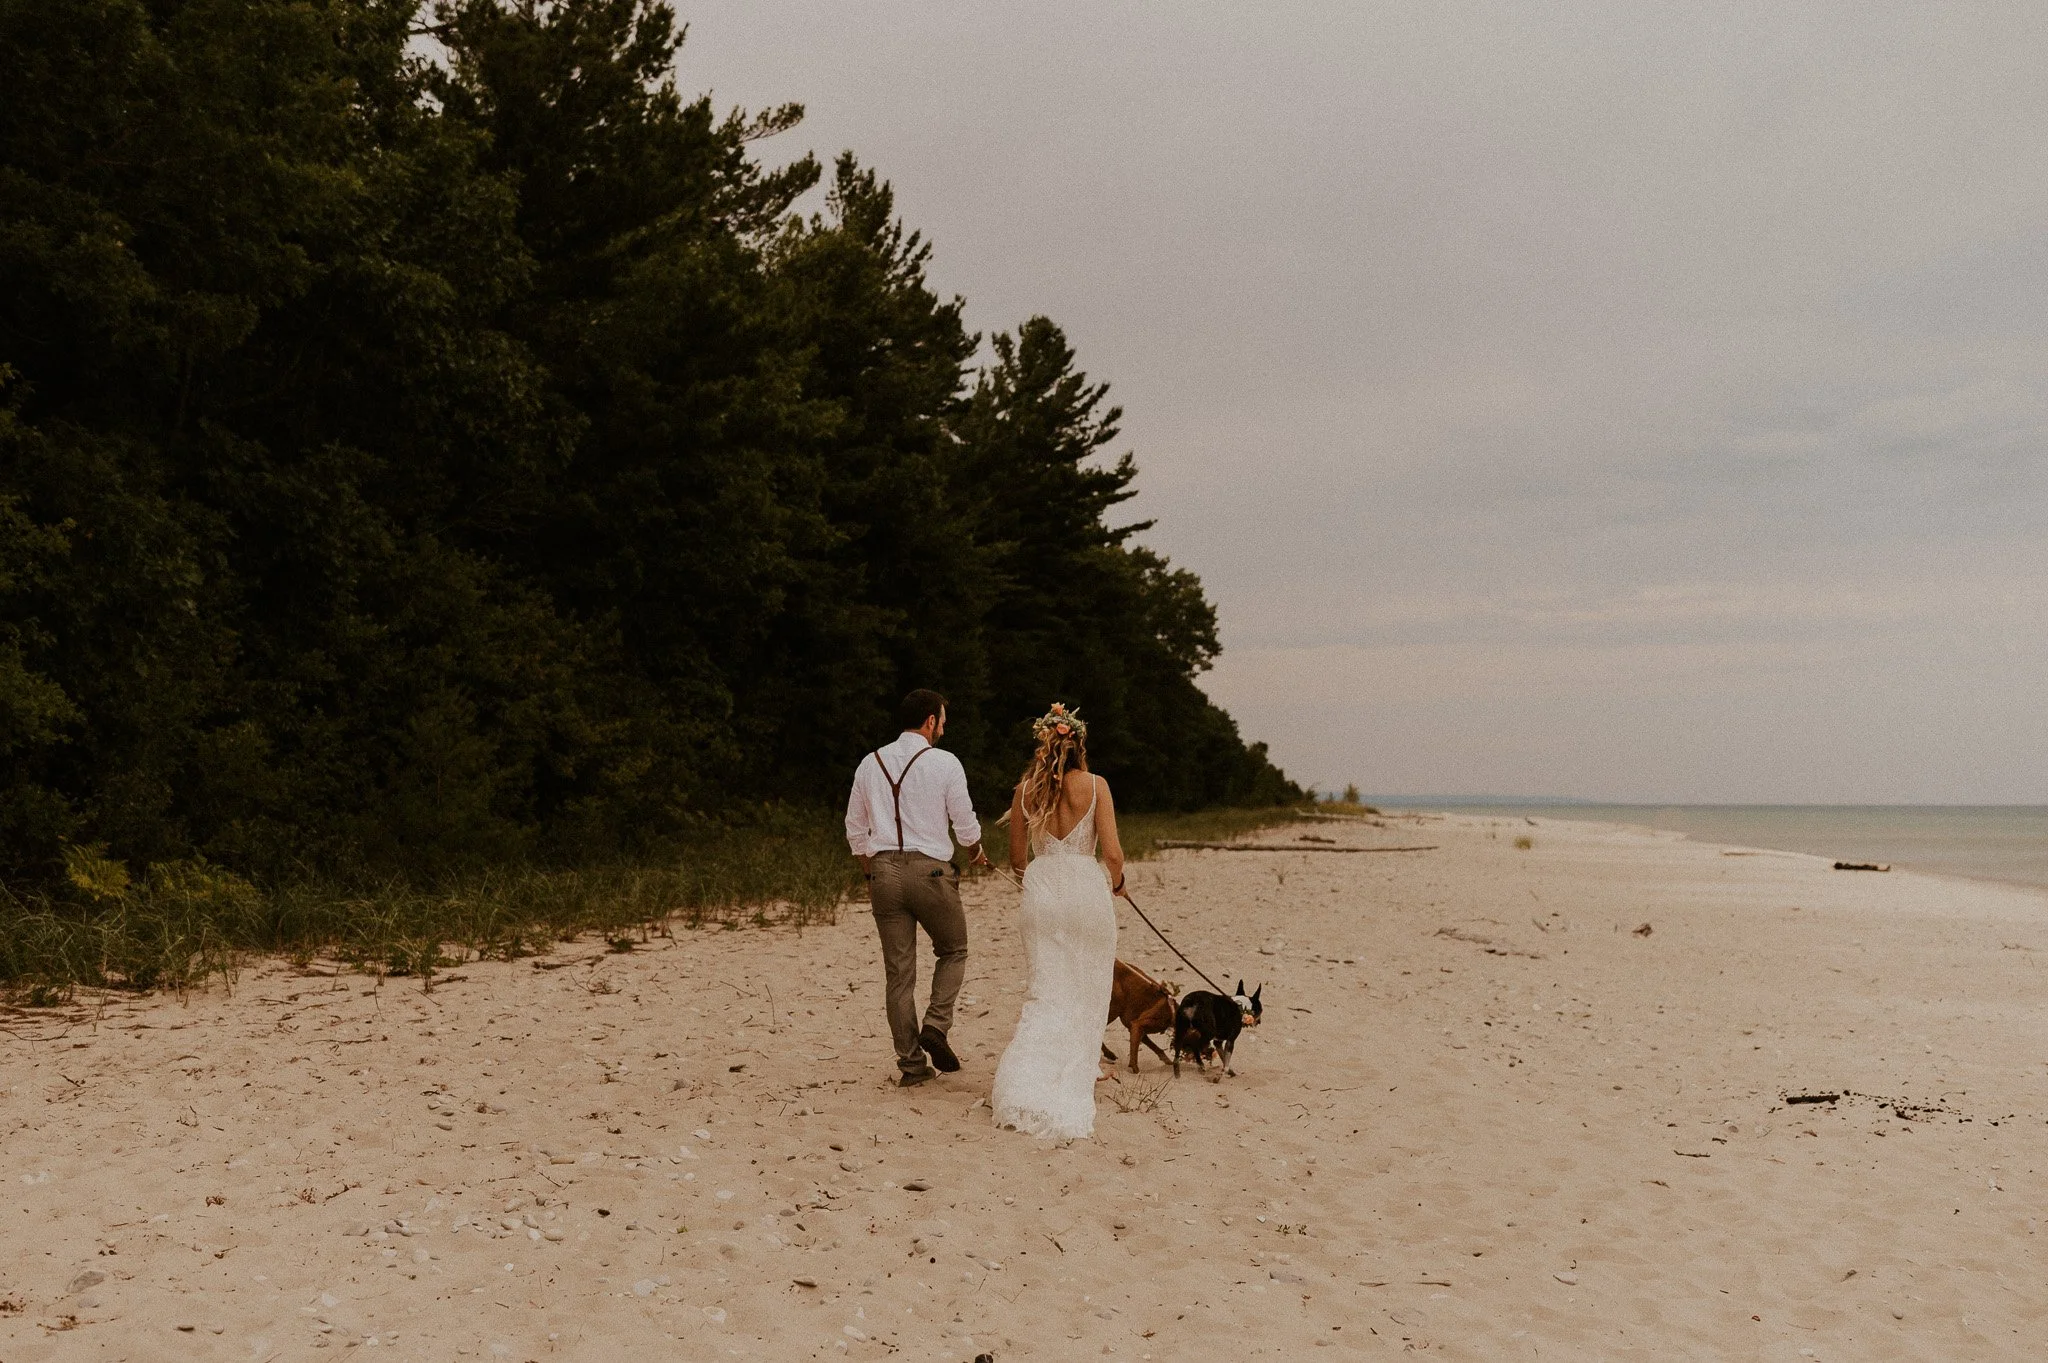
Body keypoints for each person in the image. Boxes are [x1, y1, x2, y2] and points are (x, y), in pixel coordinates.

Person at [989, 702, 1124, 1139]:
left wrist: (1041, 881)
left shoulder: (1025, 790)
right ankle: (1082, 1066)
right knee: (1087, 983)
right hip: (1086, 887)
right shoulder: (1097, 785)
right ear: (1080, 744)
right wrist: (1117, 882)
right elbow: (1112, 854)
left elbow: (1015, 858)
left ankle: (1024, 1080)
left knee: (1045, 989)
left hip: (1043, 888)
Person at [845, 689, 991, 1087]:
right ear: (930, 721)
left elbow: (855, 830)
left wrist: (870, 871)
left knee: (899, 975)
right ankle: (936, 1025)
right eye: (942, 720)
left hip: (883, 873)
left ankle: (911, 1065)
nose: (944, 727)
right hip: (931, 873)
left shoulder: (869, 763)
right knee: (954, 949)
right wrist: (976, 850)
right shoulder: (945, 763)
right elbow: (965, 825)